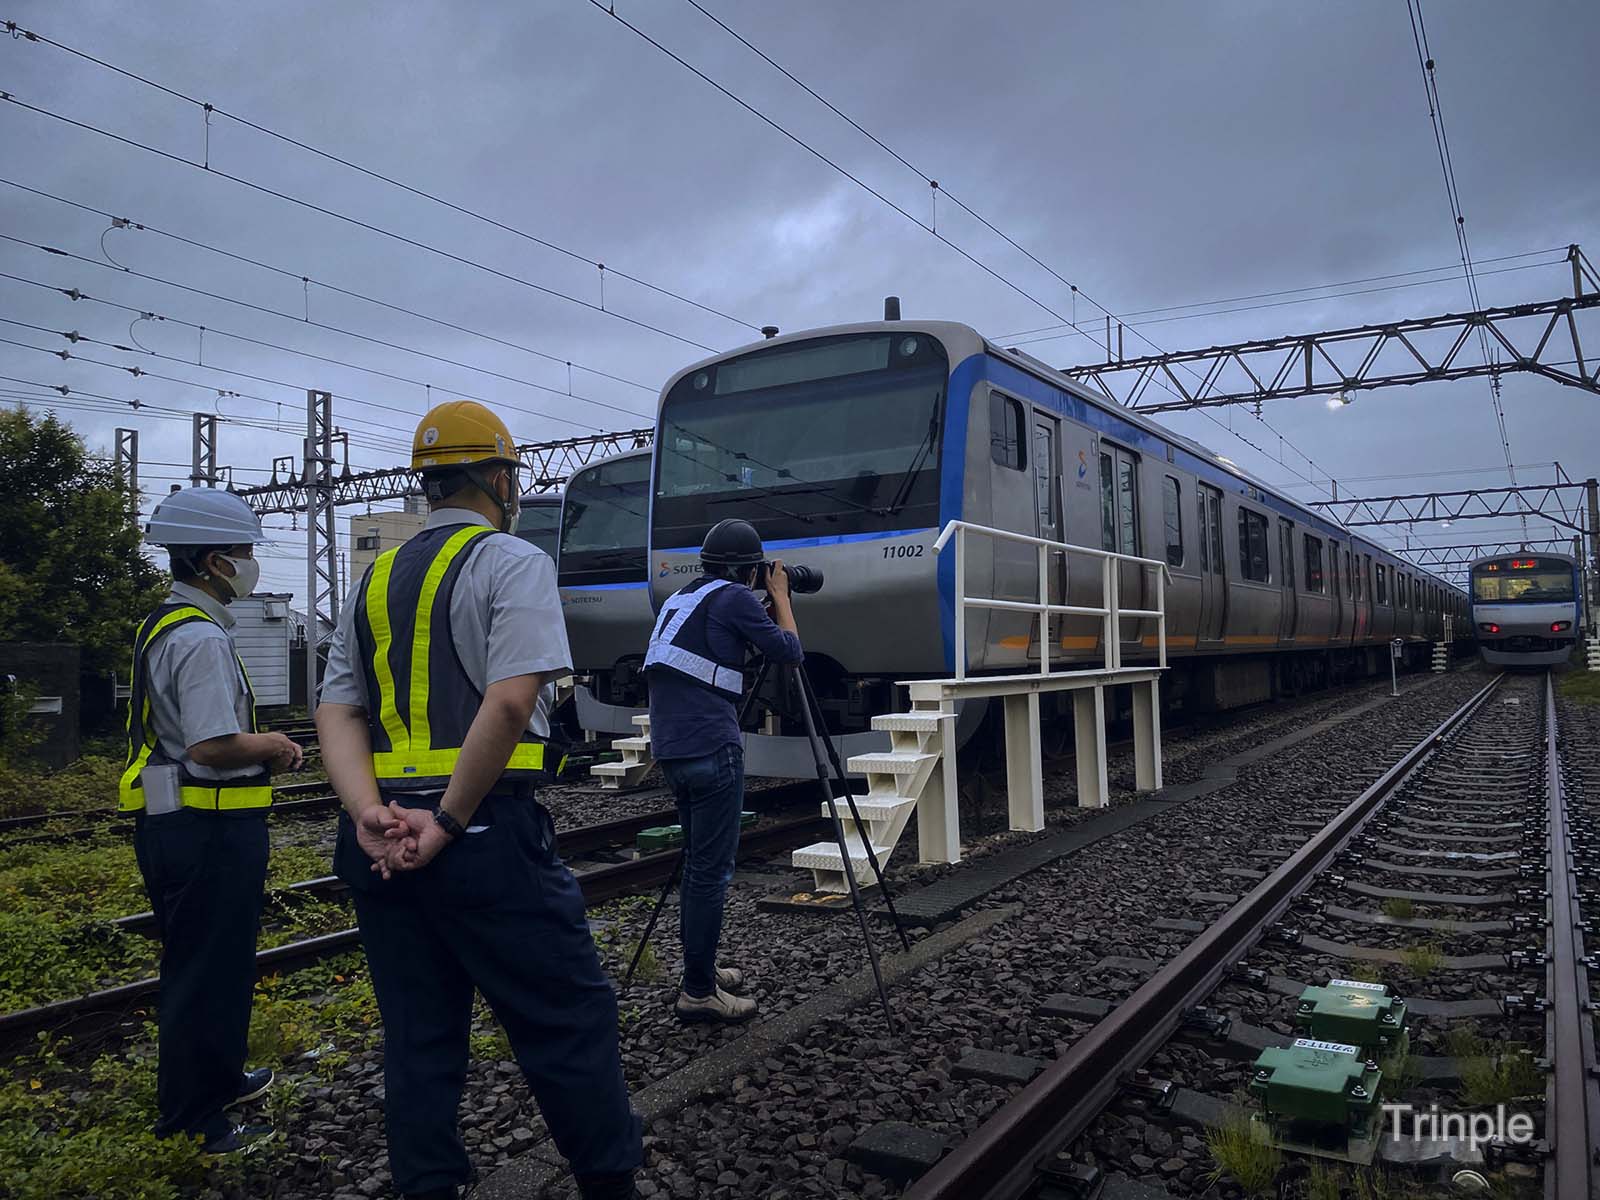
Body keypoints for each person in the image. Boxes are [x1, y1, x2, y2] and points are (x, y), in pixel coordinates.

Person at [315, 400, 642, 1200]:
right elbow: (507, 704)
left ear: (428, 485)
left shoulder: (372, 578)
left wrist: (368, 814)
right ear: (500, 479)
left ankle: (430, 1188)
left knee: (419, 1039)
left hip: (383, 843)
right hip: (483, 836)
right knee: (565, 1019)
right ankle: (608, 1185)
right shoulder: (511, 560)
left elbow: (336, 710)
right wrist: (450, 821)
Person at [122, 486, 304, 1151]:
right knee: (205, 972)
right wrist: (278, 746)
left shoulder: (164, 624)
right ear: (211, 562)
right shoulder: (199, 640)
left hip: (181, 827)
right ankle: (195, 1120)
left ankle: (221, 1078)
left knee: (214, 966)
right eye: (242, 552)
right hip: (207, 831)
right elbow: (210, 745)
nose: (250, 562)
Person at [643, 518, 803, 1024]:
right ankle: (697, 991)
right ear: (744, 568)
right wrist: (782, 597)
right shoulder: (735, 597)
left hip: (672, 750)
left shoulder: (680, 599)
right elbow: (789, 652)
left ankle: (702, 972)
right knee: (711, 874)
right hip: (713, 747)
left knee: (697, 867)